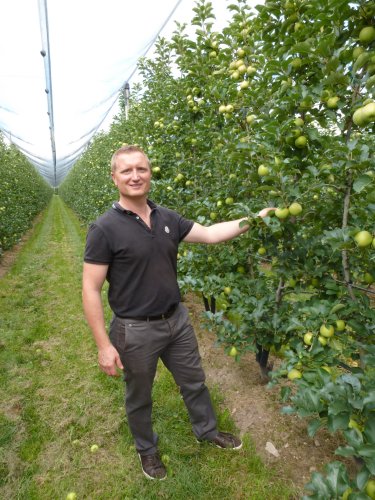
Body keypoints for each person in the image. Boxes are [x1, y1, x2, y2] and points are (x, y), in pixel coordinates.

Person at [82, 145, 275, 481]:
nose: (135, 176)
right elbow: (90, 288)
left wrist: (255, 219)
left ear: (150, 173)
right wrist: (103, 345)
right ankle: (147, 449)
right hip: (135, 329)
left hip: (176, 321)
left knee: (194, 382)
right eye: (126, 170)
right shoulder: (104, 228)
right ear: (114, 178)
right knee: (139, 395)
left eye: (141, 169)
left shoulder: (167, 217)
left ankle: (207, 430)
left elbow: (213, 234)